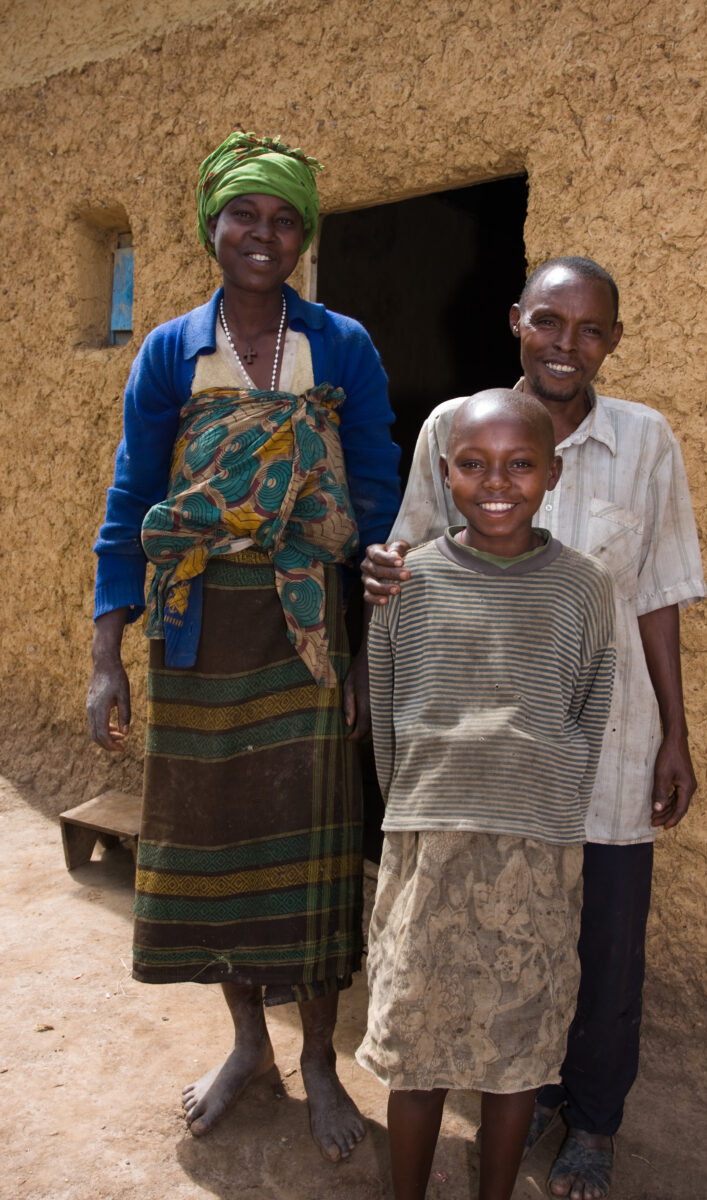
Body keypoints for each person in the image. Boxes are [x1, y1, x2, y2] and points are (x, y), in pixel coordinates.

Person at [362, 257, 706, 1198]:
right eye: (549, 322)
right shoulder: (456, 425)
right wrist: (381, 579)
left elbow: (661, 596)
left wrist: (675, 733)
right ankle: (528, 1088)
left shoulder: (646, 440)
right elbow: (414, 562)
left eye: (590, 330)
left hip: (608, 733)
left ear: (613, 342)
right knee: (508, 943)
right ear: (517, 321)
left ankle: (592, 1120)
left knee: (605, 940)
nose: (567, 345)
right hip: (475, 756)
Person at [86, 131, 401, 1161]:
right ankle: (244, 1048)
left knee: (305, 851)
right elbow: (133, 499)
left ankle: (316, 1056)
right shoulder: (171, 349)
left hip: (307, 629)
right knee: (214, 844)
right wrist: (105, 657)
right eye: (245, 217)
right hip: (193, 630)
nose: (264, 236)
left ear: (303, 235)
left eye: (284, 220)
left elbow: (374, 495)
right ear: (212, 228)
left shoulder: (340, 344)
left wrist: (365, 647)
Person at [356, 389, 616, 1200]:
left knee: (518, 1051)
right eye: (473, 464)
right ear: (444, 471)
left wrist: (537, 801)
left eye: (519, 464)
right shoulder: (408, 584)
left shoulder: (583, 589)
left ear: (553, 472)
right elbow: (391, 716)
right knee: (416, 1044)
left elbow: (589, 708)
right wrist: (420, 810)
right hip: (427, 846)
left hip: (535, 854)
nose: (495, 482)